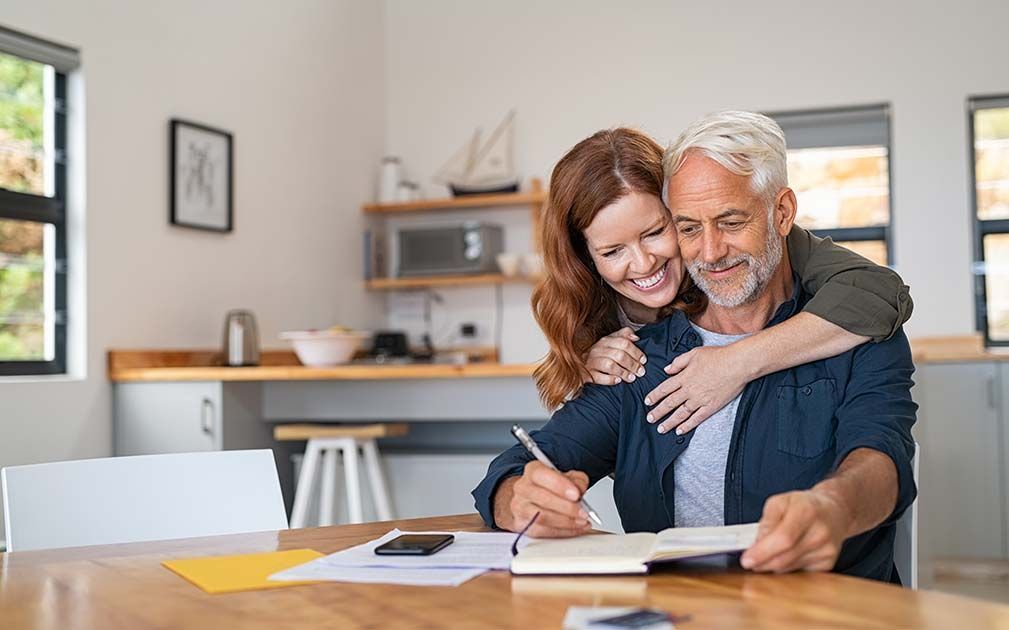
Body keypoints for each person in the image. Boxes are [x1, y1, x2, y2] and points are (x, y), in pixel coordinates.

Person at [473, 111, 916, 583]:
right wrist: (516, 497)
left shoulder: (853, 329)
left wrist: (834, 506)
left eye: (730, 221)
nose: (709, 251)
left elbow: (881, 457)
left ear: (782, 213)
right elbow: (518, 466)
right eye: (687, 227)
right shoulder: (635, 355)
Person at [532, 128, 911, 439]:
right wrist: (584, 363)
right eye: (613, 251)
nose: (643, 262)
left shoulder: (743, 259)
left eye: (655, 232)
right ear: (587, 257)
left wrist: (735, 362)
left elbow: (881, 292)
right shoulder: (583, 305)